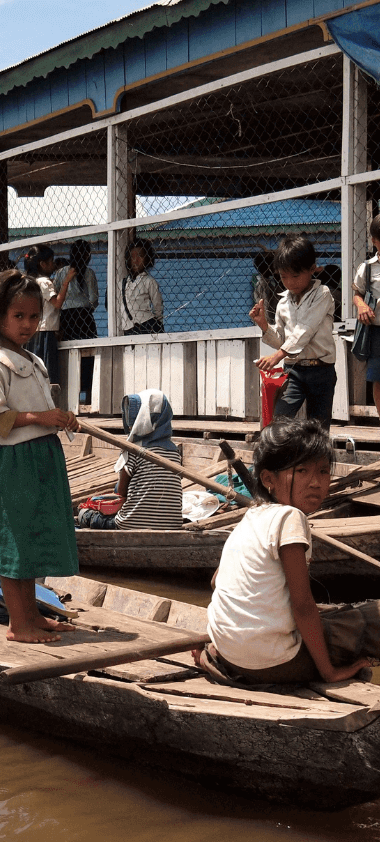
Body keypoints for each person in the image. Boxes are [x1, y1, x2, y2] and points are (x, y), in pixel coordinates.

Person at [198, 418, 377, 685]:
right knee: (371, 618)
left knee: (331, 617)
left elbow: (216, 581)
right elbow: (303, 606)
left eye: (324, 472)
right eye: (302, 471)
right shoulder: (290, 518)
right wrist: (329, 673)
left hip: (228, 654)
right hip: (276, 663)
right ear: (269, 479)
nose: (316, 482)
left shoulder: (252, 517)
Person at [0, 269, 80, 644]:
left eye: (34, 316)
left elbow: (38, 410)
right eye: (18, 316)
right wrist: (42, 418)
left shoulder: (33, 362)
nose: (28, 324)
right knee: (15, 541)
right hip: (16, 462)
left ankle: (33, 616)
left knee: (33, 538)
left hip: (41, 460)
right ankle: (19, 625)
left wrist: (61, 418)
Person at [250, 234, 337, 427]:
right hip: (293, 371)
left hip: (321, 370)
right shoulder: (282, 303)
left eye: (296, 275)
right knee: (279, 422)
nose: (290, 282)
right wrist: (264, 326)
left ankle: (315, 457)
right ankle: (285, 457)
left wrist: (278, 356)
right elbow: (282, 338)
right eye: (283, 276)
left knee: (319, 429)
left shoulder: (322, 295)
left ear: (312, 269)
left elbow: (306, 329)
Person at [75, 390, 183, 530]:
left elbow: (121, 493)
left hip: (130, 524)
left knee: (84, 513)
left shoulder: (134, 450)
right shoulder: (175, 453)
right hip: (172, 525)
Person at [56, 239, 99, 403]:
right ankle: (88, 398)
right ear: (88, 255)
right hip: (84, 318)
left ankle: (69, 399)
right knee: (87, 358)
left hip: (66, 318)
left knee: (68, 357)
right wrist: (85, 308)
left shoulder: (62, 273)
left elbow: (56, 296)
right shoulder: (89, 273)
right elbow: (94, 299)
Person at [21, 245, 63, 388]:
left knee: (35, 368)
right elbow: (57, 303)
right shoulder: (45, 282)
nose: (53, 265)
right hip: (46, 331)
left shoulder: (29, 282)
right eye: (51, 261)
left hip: (34, 331)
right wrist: (67, 282)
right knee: (48, 369)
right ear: (42, 264)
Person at [353, 215, 380, 413]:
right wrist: (361, 306)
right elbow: (357, 294)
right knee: (378, 379)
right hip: (377, 333)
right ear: (374, 241)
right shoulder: (368, 268)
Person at [119, 237, 163, 335]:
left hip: (147, 326)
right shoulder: (122, 283)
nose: (136, 260)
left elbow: (158, 307)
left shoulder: (149, 281)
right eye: (132, 256)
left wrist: (158, 324)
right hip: (128, 328)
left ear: (147, 258)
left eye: (140, 256)